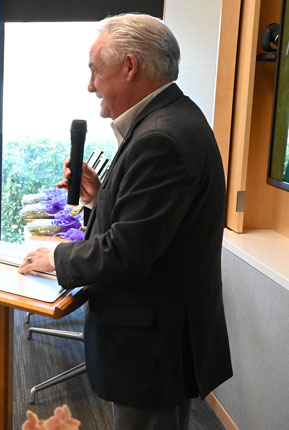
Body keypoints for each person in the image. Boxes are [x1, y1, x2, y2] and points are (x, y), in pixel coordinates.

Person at [18, 14, 232, 430]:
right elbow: (153, 226)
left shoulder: (161, 138)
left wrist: (56, 257)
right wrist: (100, 197)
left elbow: (128, 252)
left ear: (130, 67)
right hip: (159, 335)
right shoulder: (171, 119)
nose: (90, 85)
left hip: (152, 344)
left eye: (95, 70)